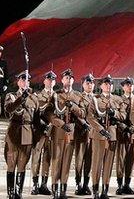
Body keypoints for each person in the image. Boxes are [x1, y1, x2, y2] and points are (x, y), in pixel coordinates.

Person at [48, 69, 86, 198]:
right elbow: (49, 113)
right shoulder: (55, 95)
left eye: (70, 78)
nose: (68, 80)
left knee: (67, 161)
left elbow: (83, 113)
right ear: (62, 80)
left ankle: (63, 189)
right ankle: (55, 188)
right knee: (57, 161)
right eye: (66, 78)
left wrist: (73, 106)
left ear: (73, 80)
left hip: (71, 131)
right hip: (59, 130)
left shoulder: (78, 95)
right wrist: (60, 123)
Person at [88, 75, 124, 199]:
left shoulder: (118, 100)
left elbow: (123, 116)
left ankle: (105, 190)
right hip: (99, 135)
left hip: (112, 135)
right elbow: (90, 117)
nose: (108, 86)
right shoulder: (95, 99)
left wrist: (114, 113)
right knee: (96, 164)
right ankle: (95, 190)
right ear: (101, 86)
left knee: (108, 164)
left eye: (110, 84)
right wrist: (101, 130)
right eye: (106, 84)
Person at [5, 70, 38, 199]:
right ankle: (10, 192)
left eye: (27, 80)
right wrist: (22, 98)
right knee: (11, 162)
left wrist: (37, 135)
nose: (25, 82)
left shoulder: (34, 98)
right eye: (22, 80)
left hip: (28, 132)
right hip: (14, 131)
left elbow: (36, 119)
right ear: (18, 82)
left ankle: (18, 192)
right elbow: (9, 109)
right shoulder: (11, 95)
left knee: (22, 163)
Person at [30, 70, 57, 196]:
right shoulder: (38, 96)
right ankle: (35, 184)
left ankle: (44, 184)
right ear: (44, 81)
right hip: (40, 130)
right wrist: (41, 125)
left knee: (47, 157)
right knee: (36, 157)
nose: (50, 82)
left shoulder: (58, 96)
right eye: (48, 79)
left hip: (52, 131)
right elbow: (34, 114)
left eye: (52, 80)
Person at [74, 74, 96, 196]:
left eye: (91, 83)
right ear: (83, 84)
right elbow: (76, 114)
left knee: (89, 160)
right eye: (87, 82)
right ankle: (78, 184)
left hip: (92, 133)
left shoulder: (96, 98)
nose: (89, 85)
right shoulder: (79, 97)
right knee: (79, 160)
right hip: (81, 132)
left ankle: (86, 184)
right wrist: (83, 123)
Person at [115, 78, 134, 195]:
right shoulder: (119, 100)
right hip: (122, 133)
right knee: (121, 160)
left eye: (131, 85)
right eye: (127, 85)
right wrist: (123, 126)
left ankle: (127, 184)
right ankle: (120, 185)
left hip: (132, 134)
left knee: (130, 160)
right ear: (123, 87)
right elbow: (116, 117)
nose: (129, 87)